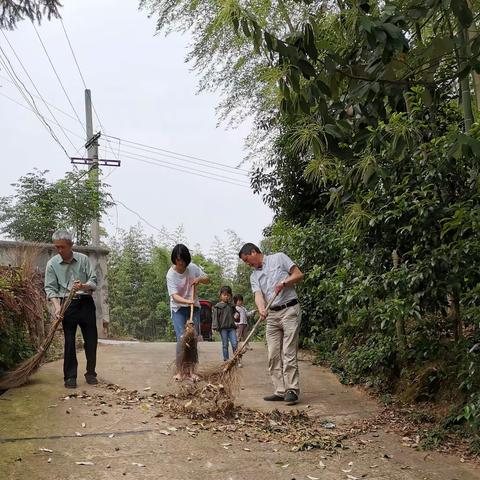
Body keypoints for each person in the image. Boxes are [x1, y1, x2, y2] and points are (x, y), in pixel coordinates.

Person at [239, 242, 304, 405]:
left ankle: (292, 390)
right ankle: (280, 390)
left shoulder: (279, 258)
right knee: (273, 353)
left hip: (289, 310)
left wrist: (284, 283)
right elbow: (258, 295)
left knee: (288, 351)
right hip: (272, 315)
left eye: (247, 260)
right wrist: (261, 309)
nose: (248, 264)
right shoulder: (254, 276)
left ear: (254, 252)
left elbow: (298, 274)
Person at [44, 229, 101, 389]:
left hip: (85, 302)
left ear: (70, 245)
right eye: (57, 247)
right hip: (66, 304)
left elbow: (94, 281)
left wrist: (83, 286)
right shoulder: (52, 264)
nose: (59, 250)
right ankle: (70, 376)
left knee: (91, 340)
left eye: (62, 247)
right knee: (69, 341)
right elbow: (50, 289)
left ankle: (91, 373)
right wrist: (57, 307)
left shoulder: (83, 260)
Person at [166, 244, 209, 381]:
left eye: (184, 261)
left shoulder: (193, 268)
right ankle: (180, 371)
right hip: (178, 308)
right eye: (178, 261)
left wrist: (199, 279)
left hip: (193, 308)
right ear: (174, 260)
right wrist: (187, 301)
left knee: (193, 338)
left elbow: (207, 279)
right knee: (182, 339)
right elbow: (174, 296)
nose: (181, 264)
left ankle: (191, 371)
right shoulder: (170, 275)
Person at [212, 286, 239, 364]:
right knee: (225, 344)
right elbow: (215, 318)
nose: (226, 296)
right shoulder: (217, 307)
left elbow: (236, 314)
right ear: (220, 295)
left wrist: (237, 315)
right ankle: (226, 360)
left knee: (234, 343)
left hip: (232, 328)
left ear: (230, 296)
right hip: (223, 328)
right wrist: (214, 327)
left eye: (228, 295)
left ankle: (236, 359)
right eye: (224, 294)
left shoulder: (232, 306)